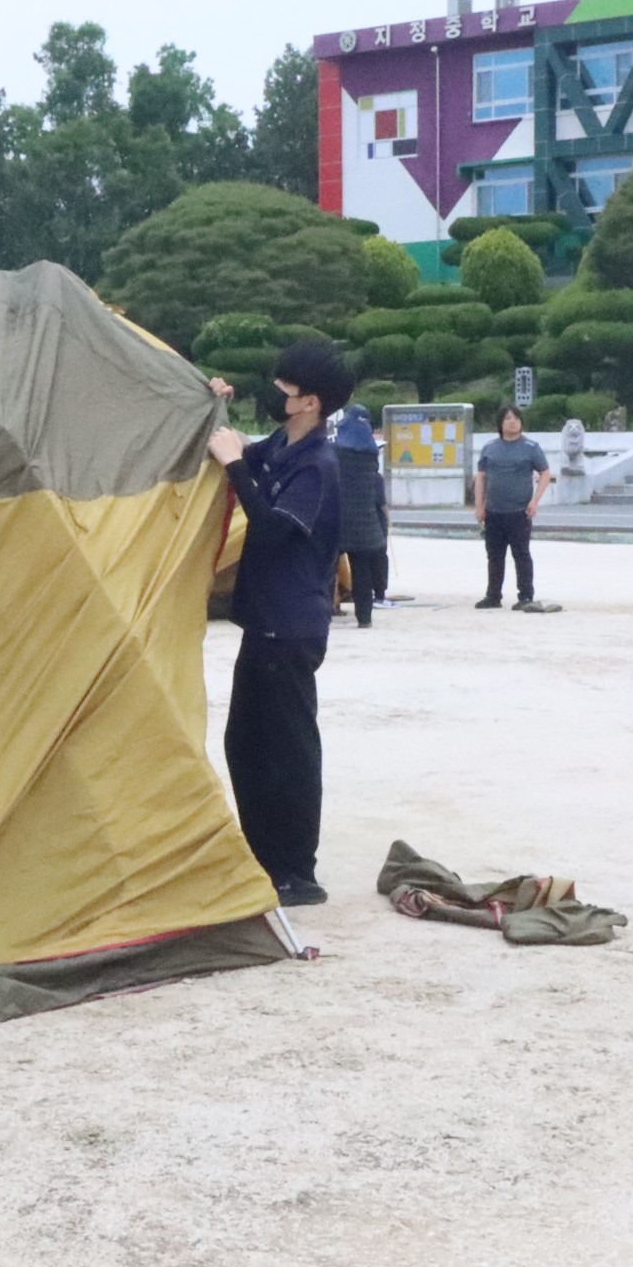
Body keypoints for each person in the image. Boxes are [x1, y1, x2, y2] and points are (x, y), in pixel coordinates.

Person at [206, 340, 354, 906]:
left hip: (290, 629)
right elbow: (242, 450)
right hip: (262, 624)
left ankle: (297, 871)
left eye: (285, 391)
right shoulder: (283, 450)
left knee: (289, 750)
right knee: (245, 743)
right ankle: (264, 858)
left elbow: (267, 529)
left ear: (310, 403)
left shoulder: (318, 466)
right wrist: (215, 409)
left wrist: (237, 466)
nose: (277, 396)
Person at [472, 406, 551, 610]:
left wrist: (534, 501)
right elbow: (481, 477)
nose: (512, 422)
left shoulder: (531, 447)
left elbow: (545, 473)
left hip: (519, 512)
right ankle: (493, 596)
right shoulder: (489, 448)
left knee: (521, 554)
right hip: (494, 512)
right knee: (494, 555)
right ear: (500, 423)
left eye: (516, 418)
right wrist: (479, 506)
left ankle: (525, 595)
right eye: (507, 418)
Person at [332, 404, 389, 628]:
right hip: (365, 522)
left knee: (328, 569)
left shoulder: (336, 450)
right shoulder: (370, 452)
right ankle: (364, 618)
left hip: (338, 520)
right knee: (362, 573)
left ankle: (327, 610)